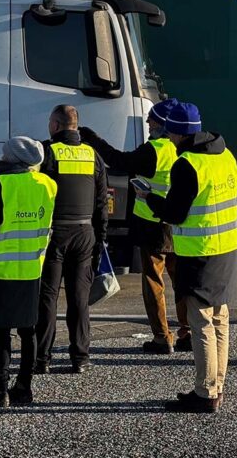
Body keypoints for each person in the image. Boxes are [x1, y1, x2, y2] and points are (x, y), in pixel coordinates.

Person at [142, 102, 237, 413]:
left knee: (201, 324)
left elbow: (176, 213)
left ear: (177, 133)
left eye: (169, 131)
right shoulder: (225, 154)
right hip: (226, 249)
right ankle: (217, 384)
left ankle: (206, 392)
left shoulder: (186, 164)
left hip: (199, 253)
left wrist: (150, 199)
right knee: (221, 319)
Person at [80, 98, 191, 354]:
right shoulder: (182, 149)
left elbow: (118, 161)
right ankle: (187, 331)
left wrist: (93, 138)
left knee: (154, 282)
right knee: (182, 282)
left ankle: (163, 338)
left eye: (151, 118)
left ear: (162, 124)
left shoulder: (154, 150)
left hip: (152, 224)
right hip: (178, 224)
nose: (148, 122)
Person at [0, 137, 57, 408]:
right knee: (28, 329)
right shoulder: (48, 184)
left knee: (2, 331)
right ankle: (24, 387)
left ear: (11, 159)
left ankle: (0, 389)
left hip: (1, 268)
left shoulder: (0, 184)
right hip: (33, 267)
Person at [35, 105, 109, 374]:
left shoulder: (48, 152)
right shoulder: (93, 156)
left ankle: (41, 359)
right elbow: (102, 202)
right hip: (84, 233)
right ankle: (80, 357)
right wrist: (100, 241)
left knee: (48, 297)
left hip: (54, 233)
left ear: (55, 125)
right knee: (79, 298)